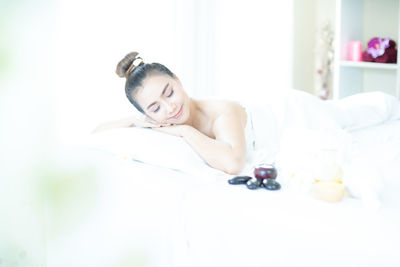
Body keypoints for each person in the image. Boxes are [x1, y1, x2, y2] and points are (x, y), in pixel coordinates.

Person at [92, 51, 249, 175]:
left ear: (177, 80)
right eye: (155, 108)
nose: (170, 107)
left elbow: (233, 164)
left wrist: (185, 131)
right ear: (147, 114)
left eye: (169, 93)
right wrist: (133, 121)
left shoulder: (222, 112)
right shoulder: (153, 119)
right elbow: (96, 134)